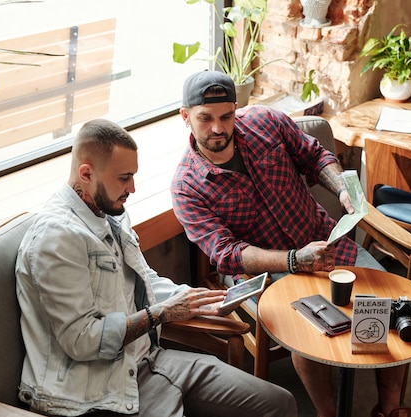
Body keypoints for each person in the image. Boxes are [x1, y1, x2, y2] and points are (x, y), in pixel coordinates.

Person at [15, 118, 297, 417]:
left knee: (279, 404)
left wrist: (195, 302)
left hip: (149, 361)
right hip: (95, 391)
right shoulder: (56, 239)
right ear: (86, 173)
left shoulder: (107, 211)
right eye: (124, 178)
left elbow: (141, 278)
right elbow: (82, 340)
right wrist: (161, 313)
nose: (132, 188)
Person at [171, 70, 411, 417]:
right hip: (271, 275)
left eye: (226, 116)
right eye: (205, 119)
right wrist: (295, 261)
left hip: (327, 244)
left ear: (237, 109)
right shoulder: (186, 186)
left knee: (387, 307)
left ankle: (388, 409)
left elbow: (315, 157)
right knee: (310, 333)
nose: (218, 128)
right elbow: (228, 254)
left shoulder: (266, 122)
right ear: (186, 116)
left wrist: (343, 189)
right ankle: (328, 413)